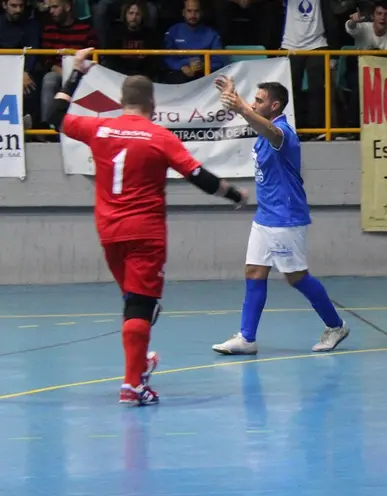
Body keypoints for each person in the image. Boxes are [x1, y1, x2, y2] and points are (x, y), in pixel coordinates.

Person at [49, 48, 249, 406]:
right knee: (141, 309)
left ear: (122, 101)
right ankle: (132, 386)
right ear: (152, 103)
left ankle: (139, 364)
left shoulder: (99, 127)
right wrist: (234, 194)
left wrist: (76, 73)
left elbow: (54, 115)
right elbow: (199, 176)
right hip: (145, 234)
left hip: (109, 232)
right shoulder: (159, 137)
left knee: (135, 304)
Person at [210, 76, 350, 355]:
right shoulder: (261, 131)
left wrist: (241, 108)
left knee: (297, 277)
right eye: (253, 99)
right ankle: (247, 338)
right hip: (265, 217)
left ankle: (336, 325)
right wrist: (239, 107)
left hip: (286, 217)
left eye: (259, 100)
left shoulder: (284, 133)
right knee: (254, 271)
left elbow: (272, 133)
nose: (253, 103)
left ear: (275, 106)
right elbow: (257, 124)